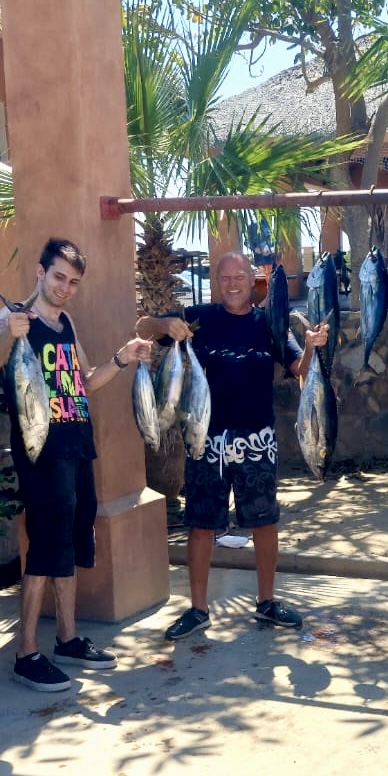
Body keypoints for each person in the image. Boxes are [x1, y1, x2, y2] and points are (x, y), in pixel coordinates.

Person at [136, 251, 328, 640]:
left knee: (264, 521)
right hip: (206, 438)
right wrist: (166, 323)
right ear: (216, 281)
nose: (232, 283)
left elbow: (299, 370)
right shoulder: (200, 318)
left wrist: (310, 345)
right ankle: (198, 609)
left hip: (258, 439)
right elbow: (142, 326)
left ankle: (267, 601)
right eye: (224, 277)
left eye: (239, 276)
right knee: (201, 525)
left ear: (253, 279)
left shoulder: (270, 323)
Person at [0, 237, 151, 692]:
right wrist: (11, 329)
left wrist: (122, 359)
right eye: (58, 277)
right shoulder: (14, 320)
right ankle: (27, 653)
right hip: (41, 452)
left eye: (73, 282)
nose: (65, 288)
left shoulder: (64, 322)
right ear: (40, 274)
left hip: (75, 447)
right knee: (45, 547)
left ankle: (66, 638)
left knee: (66, 543)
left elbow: (82, 381)